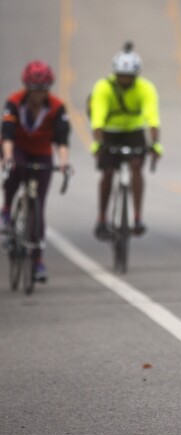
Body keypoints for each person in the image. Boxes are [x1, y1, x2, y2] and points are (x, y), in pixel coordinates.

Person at [1, 60, 70, 282]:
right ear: (27, 88)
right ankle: (6, 211)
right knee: (13, 172)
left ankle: (38, 261)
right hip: (17, 148)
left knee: (38, 205)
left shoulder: (57, 107)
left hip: (41, 152)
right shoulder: (13, 102)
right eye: (34, 89)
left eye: (42, 90)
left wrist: (63, 163)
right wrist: (8, 157)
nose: (38, 95)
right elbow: (8, 134)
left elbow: (62, 140)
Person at [89, 41, 162, 239]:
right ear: (115, 73)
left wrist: (155, 144)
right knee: (108, 172)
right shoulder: (103, 87)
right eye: (121, 76)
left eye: (129, 77)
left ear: (136, 75)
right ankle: (102, 218)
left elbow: (152, 119)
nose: (125, 80)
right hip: (109, 132)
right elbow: (97, 119)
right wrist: (98, 143)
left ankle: (137, 217)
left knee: (136, 167)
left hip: (134, 131)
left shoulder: (145, 88)